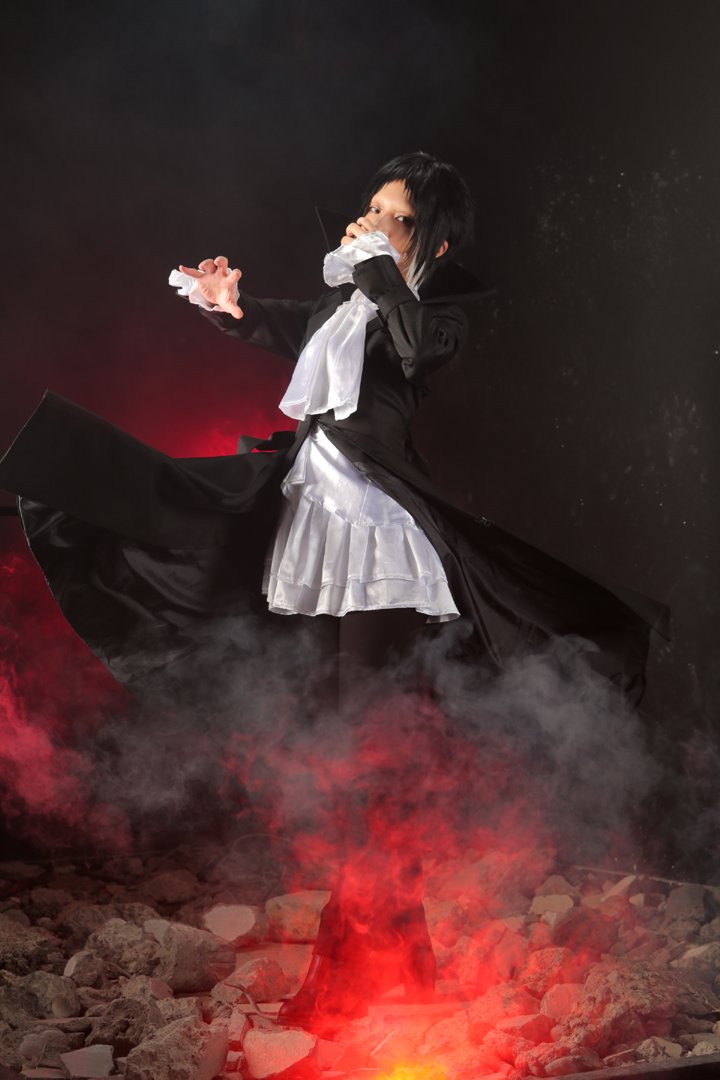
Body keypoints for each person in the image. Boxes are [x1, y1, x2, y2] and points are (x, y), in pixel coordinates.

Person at [0, 151, 671, 1032]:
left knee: (369, 753)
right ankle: (395, 960)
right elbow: (285, 327)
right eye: (373, 207)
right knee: (346, 750)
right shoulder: (344, 300)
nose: (373, 221)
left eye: (397, 217)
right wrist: (229, 306)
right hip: (313, 528)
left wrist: (382, 270)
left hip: (379, 538)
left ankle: (359, 968)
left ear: (430, 241)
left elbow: (413, 350)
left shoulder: (434, 312)